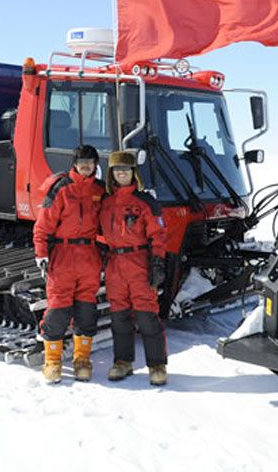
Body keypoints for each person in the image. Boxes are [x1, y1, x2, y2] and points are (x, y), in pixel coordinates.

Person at [32, 145, 105, 384]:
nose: (86, 165)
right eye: (82, 161)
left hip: (88, 256)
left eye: (90, 162)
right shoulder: (62, 189)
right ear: (75, 163)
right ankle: (52, 361)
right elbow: (43, 225)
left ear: (95, 165)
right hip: (63, 255)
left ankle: (81, 360)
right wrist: (41, 253)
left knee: (86, 310)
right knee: (58, 308)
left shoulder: (99, 191)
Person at [99, 151, 169, 385]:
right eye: (117, 170)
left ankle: (157, 365)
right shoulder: (105, 204)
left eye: (126, 170)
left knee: (147, 315)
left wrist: (157, 262)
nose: (122, 173)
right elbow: (98, 233)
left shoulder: (145, 202)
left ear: (133, 173)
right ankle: (123, 362)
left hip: (139, 262)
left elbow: (158, 235)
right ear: (111, 174)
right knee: (119, 317)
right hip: (115, 264)